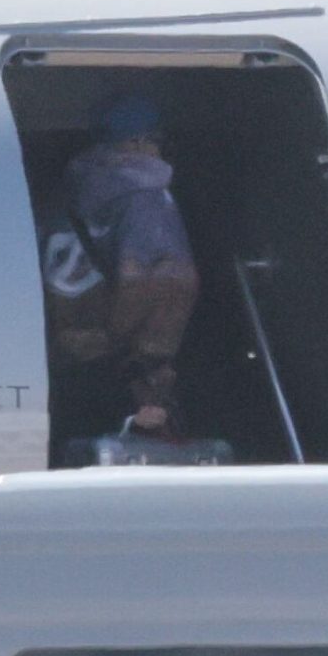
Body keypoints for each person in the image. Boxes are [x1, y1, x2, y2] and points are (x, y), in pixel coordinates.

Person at [54, 95, 200, 436]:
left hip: (72, 345)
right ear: (135, 141)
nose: (160, 150)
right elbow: (163, 280)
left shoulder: (75, 189)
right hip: (120, 358)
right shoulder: (146, 198)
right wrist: (150, 364)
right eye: (157, 139)